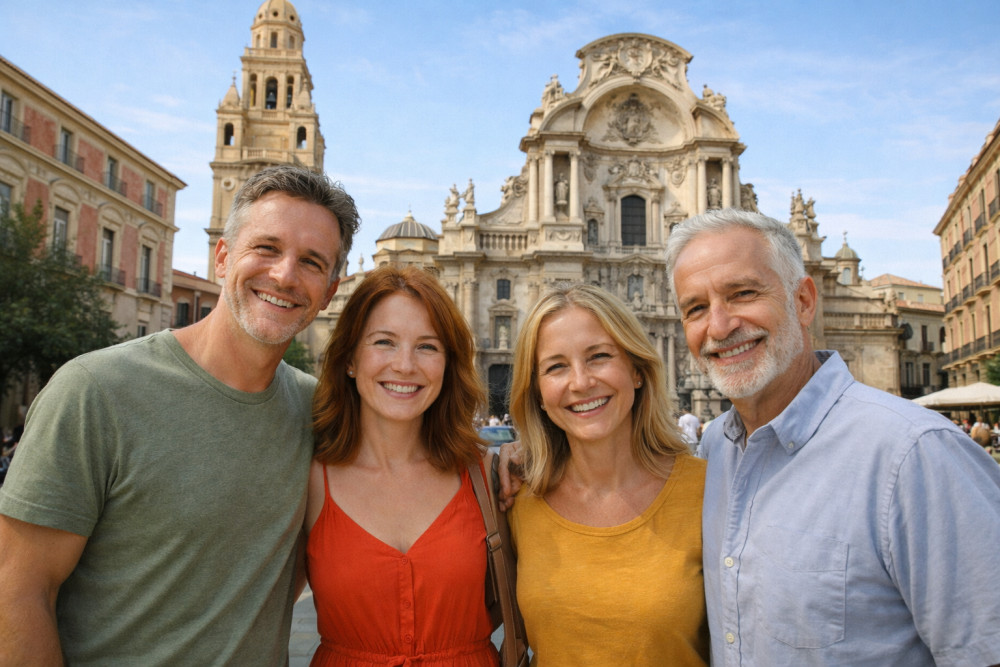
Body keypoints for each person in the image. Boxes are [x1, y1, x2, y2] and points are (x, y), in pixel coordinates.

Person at [0, 165, 360, 665]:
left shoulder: (317, 410)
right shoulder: (96, 391)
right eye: (267, 248)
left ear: (330, 290)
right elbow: (16, 590)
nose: (284, 275)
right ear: (222, 256)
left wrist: (505, 458)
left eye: (312, 262)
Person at [664, 208, 1000, 665]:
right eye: (696, 308)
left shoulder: (915, 457)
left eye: (742, 293)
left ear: (804, 301)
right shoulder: (717, 449)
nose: (719, 327)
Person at [506, 283, 709, 665]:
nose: (581, 382)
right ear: (537, 392)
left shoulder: (709, 491)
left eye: (599, 356)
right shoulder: (515, 499)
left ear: (636, 370)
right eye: (556, 366)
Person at [307, 265, 500, 666]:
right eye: (384, 342)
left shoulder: (490, 476)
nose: (405, 365)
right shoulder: (305, 479)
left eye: (427, 347)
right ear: (349, 360)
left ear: (448, 366)